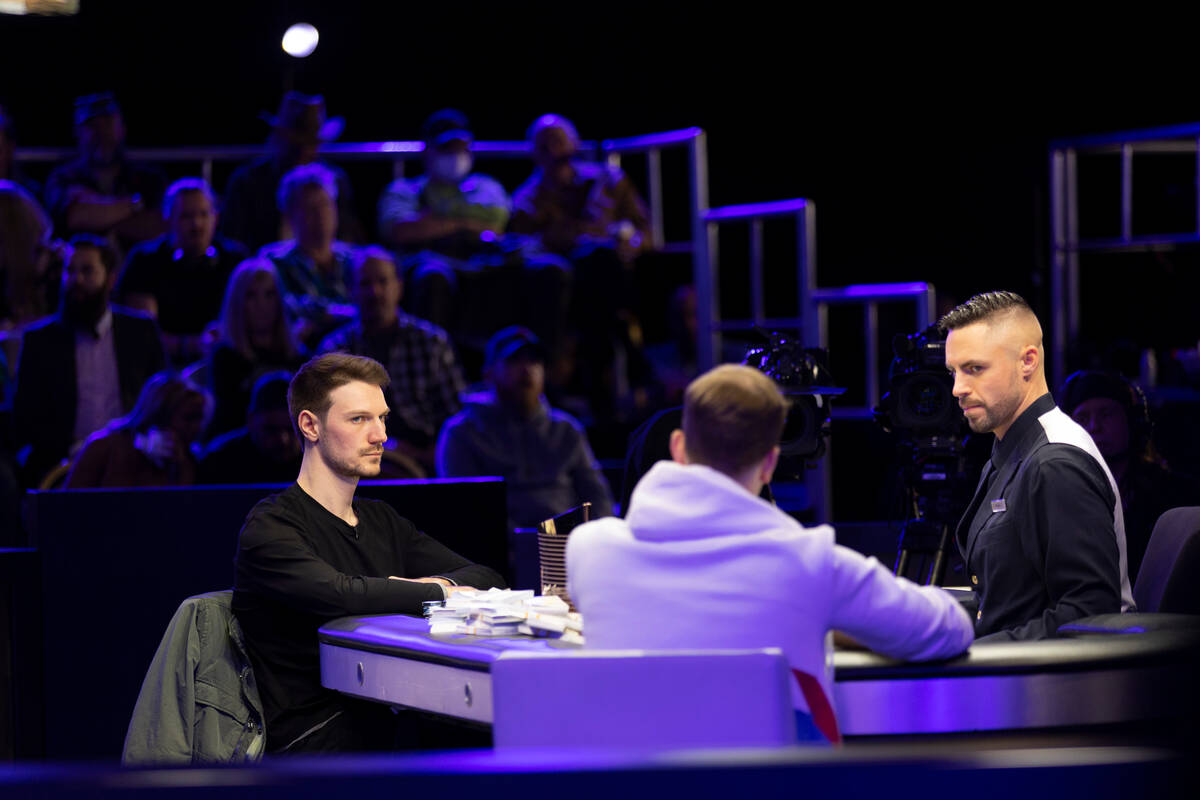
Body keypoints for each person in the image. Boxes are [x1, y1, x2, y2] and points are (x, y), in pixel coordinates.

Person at [567, 364, 974, 744]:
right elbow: (948, 628)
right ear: (769, 463)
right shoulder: (810, 562)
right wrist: (834, 626)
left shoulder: (590, 550)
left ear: (678, 447)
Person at [232, 353, 505, 753]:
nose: (380, 436)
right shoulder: (271, 525)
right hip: (311, 742)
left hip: (388, 719)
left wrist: (434, 584)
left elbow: (487, 577)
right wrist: (442, 593)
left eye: (382, 418)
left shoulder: (381, 520)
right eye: (359, 419)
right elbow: (339, 594)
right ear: (310, 425)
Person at [942, 291, 1135, 641]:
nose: (958, 388)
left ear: (1027, 361)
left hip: (1054, 687)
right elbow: (1003, 602)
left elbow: (1090, 614)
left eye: (974, 369)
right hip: (1016, 674)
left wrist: (975, 655)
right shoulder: (1014, 445)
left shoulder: (1055, 463)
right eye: (953, 371)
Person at [378, 109, 569, 367]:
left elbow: (498, 224)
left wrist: (436, 222)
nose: (455, 155)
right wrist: (466, 223)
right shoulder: (406, 189)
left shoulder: (487, 186)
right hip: (439, 260)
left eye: (461, 147)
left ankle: (545, 373)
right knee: (433, 275)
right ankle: (436, 371)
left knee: (550, 269)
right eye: (447, 148)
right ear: (428, 151)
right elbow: (400, 229)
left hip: (489, 261)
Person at [510, 113, 654, 423]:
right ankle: (630, 350)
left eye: (560, 142)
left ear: (575, 144)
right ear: (535, 154)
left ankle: (617, 370)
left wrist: (631, 242)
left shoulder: (610, 182)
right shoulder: (527, 201)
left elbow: (645, 231)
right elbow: (528, 247)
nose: (555, 152)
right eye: (545, 145)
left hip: (619, 279)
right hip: (573, 291)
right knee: (595, 267)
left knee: (604, 266)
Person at [12, 234, 166, 486]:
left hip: (134, 458)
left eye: (87, 271)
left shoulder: (140, 332)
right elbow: (26, 419)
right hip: (63, 464)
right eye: (70, 271)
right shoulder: (40, 341)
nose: (76, 280)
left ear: (111, 279)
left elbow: (162, 397)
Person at [437, 326, 614, 530]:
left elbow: (599, 498)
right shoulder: (462, 433)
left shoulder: (566, 429)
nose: (527, 369)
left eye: (534, 361)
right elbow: (463, 508)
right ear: (489, 373)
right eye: (514, 360)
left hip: (567, 544)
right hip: (498, 550)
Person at [319, 247, 464, 473]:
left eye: (383, 281)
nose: (375, 292)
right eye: (365, 284)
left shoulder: (431, 342)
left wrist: (417, 456)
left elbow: (457, 424)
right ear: (351, 290)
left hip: (423, 465)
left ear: (399, 286)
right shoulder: (335, 350)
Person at [1061, 369, 1200, 581]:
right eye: (1082, 417)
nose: (1094, 427)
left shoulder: (1176, 496)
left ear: (1133, 423)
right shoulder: (1059, 495)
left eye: (1106, 414)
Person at [116, 178, 249, 365]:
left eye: (204, 214)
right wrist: (195, 344)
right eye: (186, 216)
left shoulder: (236, 258)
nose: (197, 225)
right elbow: (143, 334)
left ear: (216, 218)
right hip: (163, 367)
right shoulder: (144, 260)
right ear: (168, 219)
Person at [219, 92, 363, 251]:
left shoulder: (336, 181)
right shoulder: (247, 181)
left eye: (310, 144)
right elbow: (233, 241)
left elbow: (348, 237)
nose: (303, 152)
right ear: (278, 139)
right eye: (295, 144)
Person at [43, 92, 166, 249]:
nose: (101, 134)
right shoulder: (62, 179)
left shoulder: (149, 177)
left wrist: (95, 218)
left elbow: (157, 226)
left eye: (108, 123)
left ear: (122, 128)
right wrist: (134, 206)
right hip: (76, 270)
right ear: (77, 132)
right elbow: (74, 217)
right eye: (92, 126)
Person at [259, 163, 357, 349]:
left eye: (326, 205)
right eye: (310, 209)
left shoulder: (355, 259)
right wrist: (348, 314)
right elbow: (288, 310)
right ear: (290, 216)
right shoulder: (274, 262)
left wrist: (322, 316)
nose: (321, 215)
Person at [206, 259, 306, 440]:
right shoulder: (225, 359)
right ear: (237, 303)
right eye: (251, 295)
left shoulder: (299, 357)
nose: (261, 304)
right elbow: (227, 420)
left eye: (269, 294)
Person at [65, 371, 210, 488]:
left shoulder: (189, 459)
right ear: (159, 414)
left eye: (200, 418)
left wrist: (181, 466)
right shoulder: (103, 447)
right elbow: (66, 507)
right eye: (189, 418)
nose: (197, 427)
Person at [198, 371, 301, 484]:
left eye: (292, 429)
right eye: (271, 429)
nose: (283, 440)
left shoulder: (320, 459)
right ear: (250, 420)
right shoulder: (219, 461)